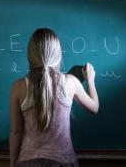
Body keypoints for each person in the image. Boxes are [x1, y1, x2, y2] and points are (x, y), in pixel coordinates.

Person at [9, 28, 99, 167]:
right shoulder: (70, 82)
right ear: (58, 54)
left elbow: (15, 132)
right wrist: (90, 80)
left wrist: (12, 163)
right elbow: (94, 108)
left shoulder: (19, 87)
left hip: (28, 162)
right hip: (64, 162)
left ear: (30, 55)